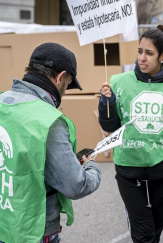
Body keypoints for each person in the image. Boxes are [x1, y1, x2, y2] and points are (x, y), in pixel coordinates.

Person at [98, 25, 163, 243]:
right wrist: (107, 103)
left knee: (154, 232)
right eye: (139, 51)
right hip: (128, 173)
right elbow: (110, 126)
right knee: (144, 235)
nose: (142, 58)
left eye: (149, 53)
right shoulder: (118, 82)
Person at [0, 42, 101, 243]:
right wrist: (91, 167)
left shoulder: (3, 102)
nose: (64, 92)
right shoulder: (49, 121)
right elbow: (75, 185)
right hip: (33, 230)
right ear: (60, 77)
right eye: (68, 83)